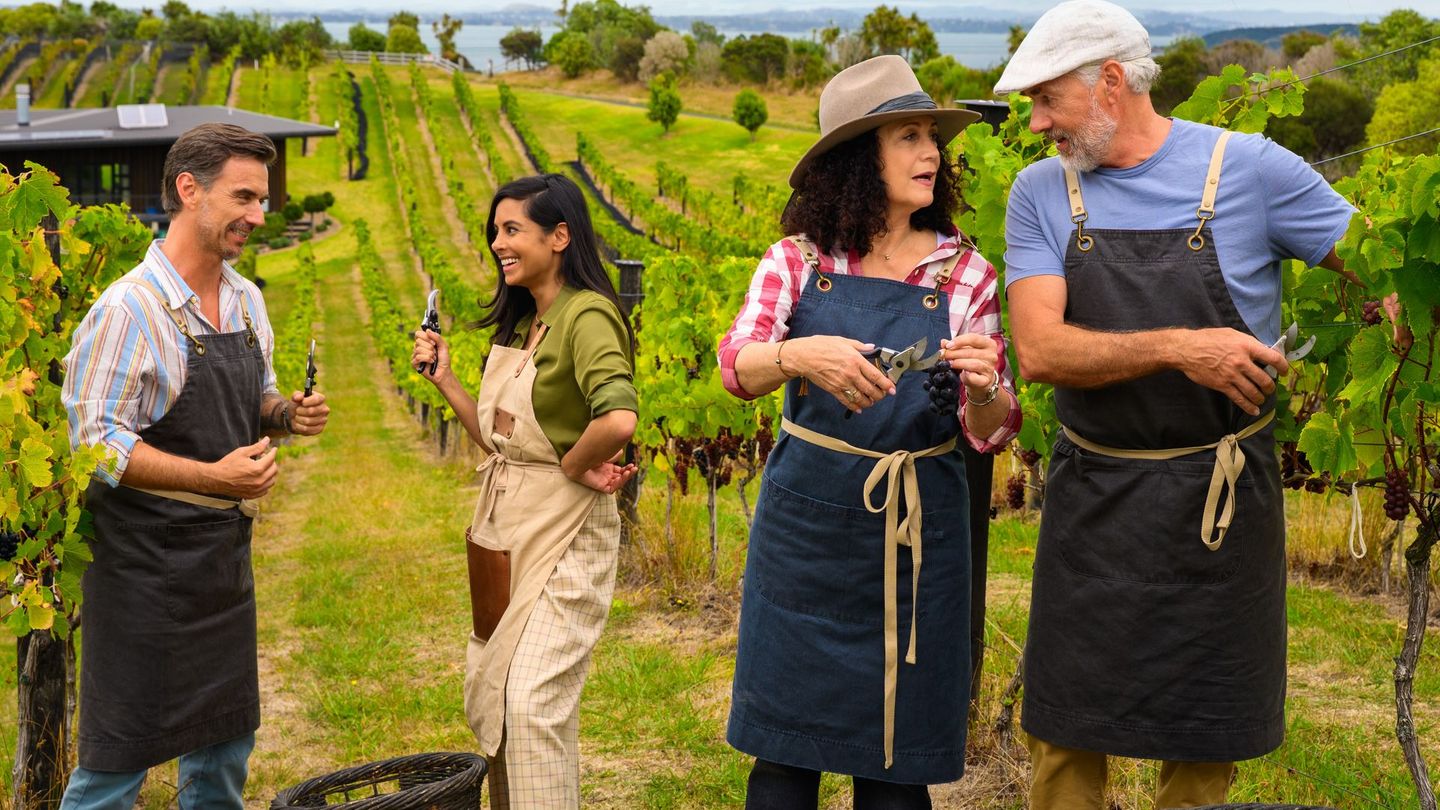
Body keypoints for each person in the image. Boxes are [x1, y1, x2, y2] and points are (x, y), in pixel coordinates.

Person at [995, 2, 1358, 807]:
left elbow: (1381, 270)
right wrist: (1183, 346)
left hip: (1221, 499)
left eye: (1046, 99)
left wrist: (1365, 351)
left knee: (1204, 733)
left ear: (1112, 82)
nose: (1035, 122)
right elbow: (1043, 352)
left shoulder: (1252, 169)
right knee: (1065, 731)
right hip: (1095, 495)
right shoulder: (1039, 193)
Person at [717, 55, 1022, 808]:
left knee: (896, 775)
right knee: (782, 766)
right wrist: (796, 353)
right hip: (805, 541)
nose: (931, 154)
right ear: (861, 158)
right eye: (908, 137)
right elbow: (736, 367)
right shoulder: (798, 261)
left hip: (918, 544)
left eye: (932, 139)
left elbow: (990, 431)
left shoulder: (966, 274)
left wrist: (984, 388)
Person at [59, 123, 331, 809]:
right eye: (244, 196)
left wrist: (282, 414)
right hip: (141, 572)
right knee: (114, 766)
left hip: (220, 567)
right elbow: (96, 444)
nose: (259, 215)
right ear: (189, 190)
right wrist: (214, 478)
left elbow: (258, 393)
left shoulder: (245, 300)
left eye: (262, 199)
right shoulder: (129, 309)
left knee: (223, 754)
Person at [411, 174, 638, 809]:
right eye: (495, 231)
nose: (497, 243)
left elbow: (618, 417)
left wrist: (575, 466)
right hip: (507, 527)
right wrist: (449, 380)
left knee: (534, 700)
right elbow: (498, 441)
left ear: (559, 236)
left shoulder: (585, 315)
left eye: (512, 230)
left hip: (565, 533)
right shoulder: (525, 323)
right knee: (505, 694)